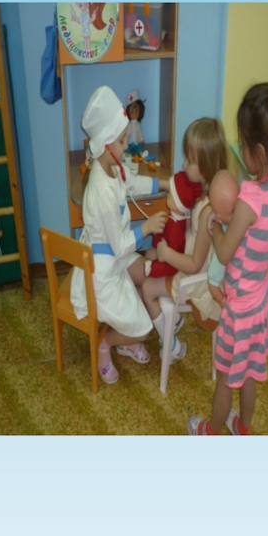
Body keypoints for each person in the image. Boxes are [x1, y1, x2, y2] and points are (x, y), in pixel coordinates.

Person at [188, 82, 268, 435]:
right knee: (249, 374)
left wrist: (215, 225)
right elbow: (254, 234)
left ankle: (211, 431)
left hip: (239, 312)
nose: (241, 151)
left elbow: (223, 252)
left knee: (224, 380)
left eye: (244, 145)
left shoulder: (250, 196)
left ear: (259, 152)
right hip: (261, 302)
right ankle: (243, 427)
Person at [70, 86, 169, 384]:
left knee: (147, 273)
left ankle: (126, 334)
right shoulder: (100, 190)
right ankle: (107, 343)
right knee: (143, 328)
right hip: (103, 269)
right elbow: (120, 245)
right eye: (123, 140)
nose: (126, 146)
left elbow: (133, 182)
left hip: (117, 255)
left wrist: (164, 184)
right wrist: (147, 228)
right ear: (105, 144)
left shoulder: (112, 166)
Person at [141, 118, 230, 362]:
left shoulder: (208, 211)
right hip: (188, 263)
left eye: (189, 161)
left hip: (195, 280)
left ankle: (172, 346)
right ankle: (174, 321)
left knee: (147, 288)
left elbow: (195, 264)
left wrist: (167, 254)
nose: (184, 164)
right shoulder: (202, 192)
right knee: (148, 255)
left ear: (206, 166)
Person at [144, 170, 202, 278]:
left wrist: (161, 245)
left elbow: (173, 247)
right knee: (148, 253)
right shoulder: (177, 219)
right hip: (167, 249)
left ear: (177, 205)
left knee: (155, 266)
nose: (167, 196)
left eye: (170, 195)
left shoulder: (176, 227)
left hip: (171, 258)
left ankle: (152, 269)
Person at [206, 170, 240, 307]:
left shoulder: (241, 218)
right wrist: (222, 300)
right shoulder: (224, 237)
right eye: (233, 211)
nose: (239, 211)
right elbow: (212, 282)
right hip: (234, 294)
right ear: (219, 219)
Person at [125, 89, 146, 156]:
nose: (134, 114)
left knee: (139, 148)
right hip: (130, 142)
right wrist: (125, 140)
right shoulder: (129, 124)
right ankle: (127, 155)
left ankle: (140, 153)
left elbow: (140, 132)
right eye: (132, 112)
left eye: (137, 111)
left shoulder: (138, 124)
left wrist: (142, 139)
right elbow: (127, 132)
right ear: (128, 112)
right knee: (127, 150)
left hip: (137, 142)